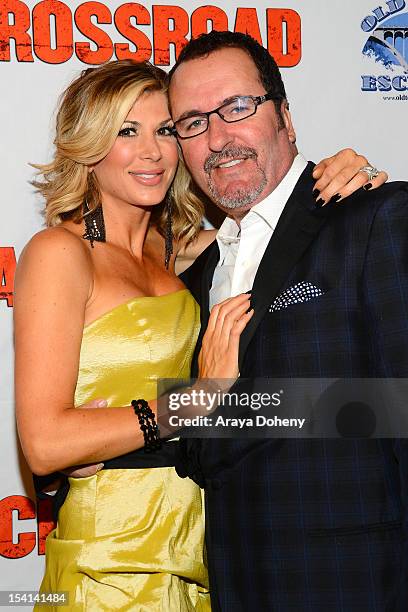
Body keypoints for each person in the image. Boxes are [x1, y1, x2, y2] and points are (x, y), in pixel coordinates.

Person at [14, 59, 385, 610]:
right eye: (125, 131)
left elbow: (275, 225)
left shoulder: (188, 253)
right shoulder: (60, 252)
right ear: (88, 147)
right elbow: (44, 445)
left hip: (201, 545)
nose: (152, 152)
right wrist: (195, 402)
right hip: (113, 555)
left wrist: (339, 175)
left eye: (165, 129)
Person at [169, 31, 408, 611]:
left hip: (360, 585)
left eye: (237, 108)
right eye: (193, 123)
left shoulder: (374, 217)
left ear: (286, 118)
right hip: (238, 586)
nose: (218, 138)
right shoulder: (195, 279)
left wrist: (225, 399)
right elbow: (199, 453)